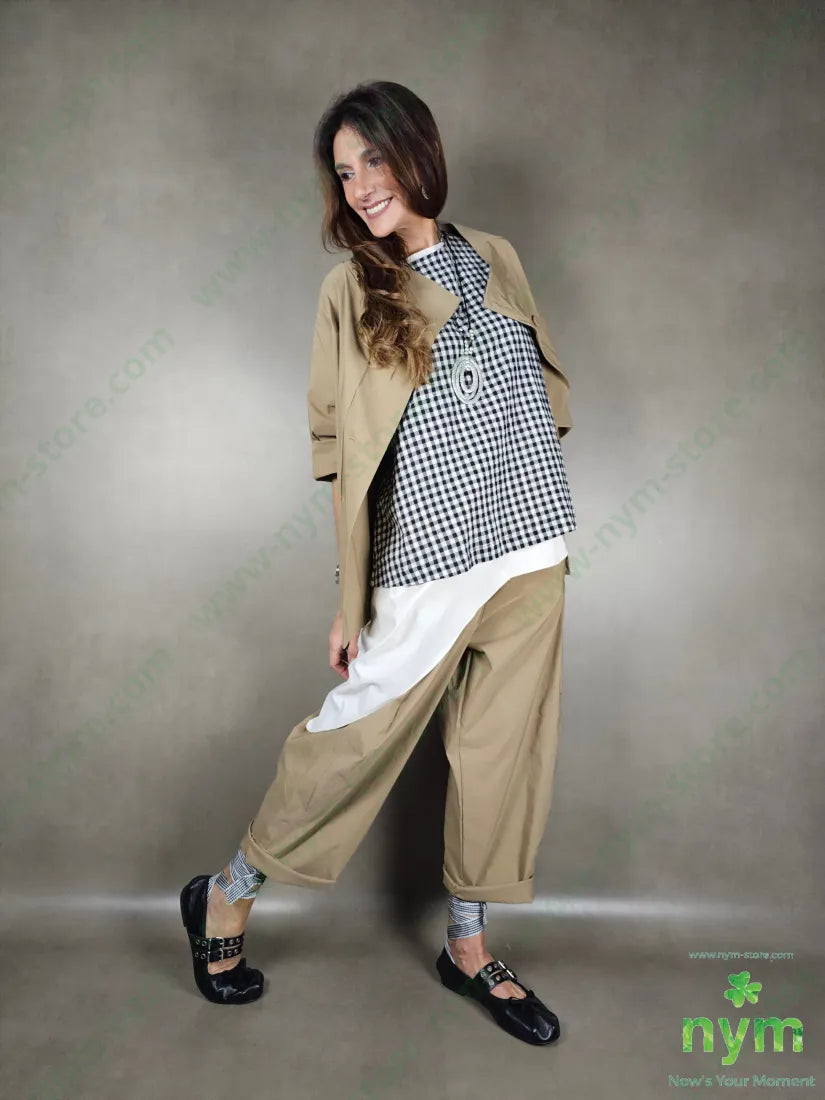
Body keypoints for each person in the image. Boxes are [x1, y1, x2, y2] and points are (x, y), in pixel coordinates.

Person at [180, 80, 577, 1046]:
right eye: (343, 171)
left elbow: (536, 390)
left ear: (418, 153)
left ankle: (468, 947)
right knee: (350, 739)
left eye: (374, 160)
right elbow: (338, 452)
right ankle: (225, 892)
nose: (359, 186)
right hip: (427, 557)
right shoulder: (349, 289)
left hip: (530, 544)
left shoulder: (497, 257)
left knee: (498, 758)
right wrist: (347, 595)